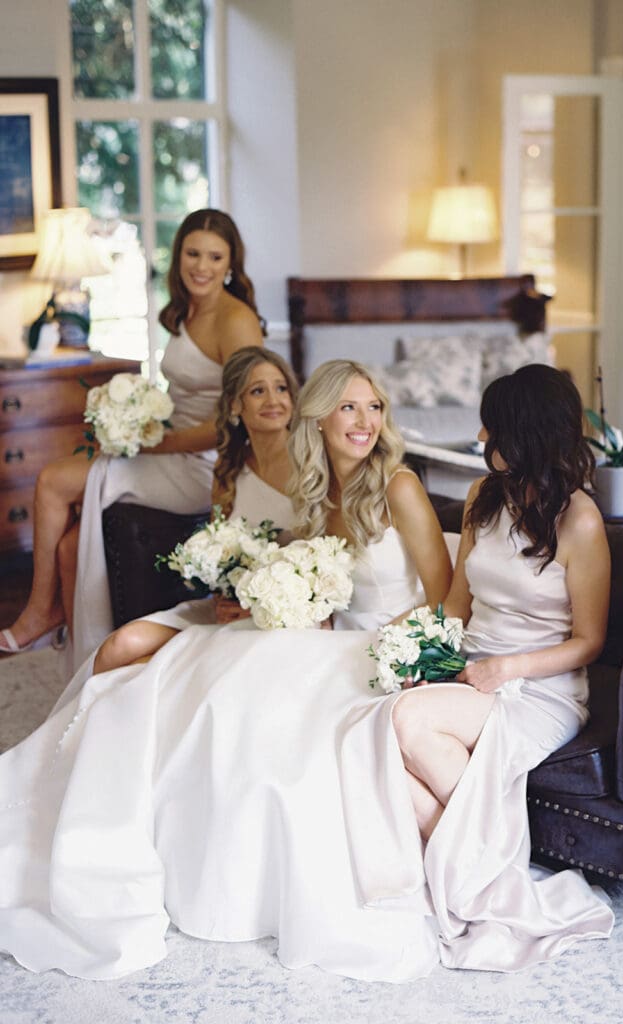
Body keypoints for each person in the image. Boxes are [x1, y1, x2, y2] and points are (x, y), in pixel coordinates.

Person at [0, 359, 454, 981]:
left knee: (248, 680)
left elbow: (443, 596)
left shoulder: (397, 486)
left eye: (373, 407)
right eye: (349, 407)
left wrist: (410, 654)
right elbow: (313, 578)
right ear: (320, 418)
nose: (364, 421)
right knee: (210, 671)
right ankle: (118, 816)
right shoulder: (317, 491)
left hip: (382, 647)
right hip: (330, 638)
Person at [338, 364, 614, 972]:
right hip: (472, 672)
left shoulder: (580, 520)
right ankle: (489, 874)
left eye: (492, 427)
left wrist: (508, 668)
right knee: (372, 743)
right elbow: (457, 607)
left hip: (542, 688)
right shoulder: (482, 499)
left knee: (405, 721)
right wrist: (426, 656)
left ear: (525, 433)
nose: (482, 435)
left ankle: (482, 874)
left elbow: (589, 642)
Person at [0, 208, 265, 665]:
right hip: (169, 449)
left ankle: (40, 611)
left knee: (53, 481)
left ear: (231, 264)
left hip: (206, 466)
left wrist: (156, 442)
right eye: (193, 254)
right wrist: (134, 419)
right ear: (178, 255)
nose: (201, 266)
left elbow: (236, 422)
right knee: (69, 546)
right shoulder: (187, 309)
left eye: (215, 257)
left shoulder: (235, 320)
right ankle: (86, 655)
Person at [85, 346, 298, 683]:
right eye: (258, 391)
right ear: (235, 405)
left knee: (145, 670)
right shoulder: (228, 468)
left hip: (283, 614)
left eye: (281, 388)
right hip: (229, 608)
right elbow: (217, 548)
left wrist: (261, 604)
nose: (273, 400)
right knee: (118, 646)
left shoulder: (311, 464)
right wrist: (221, 596)